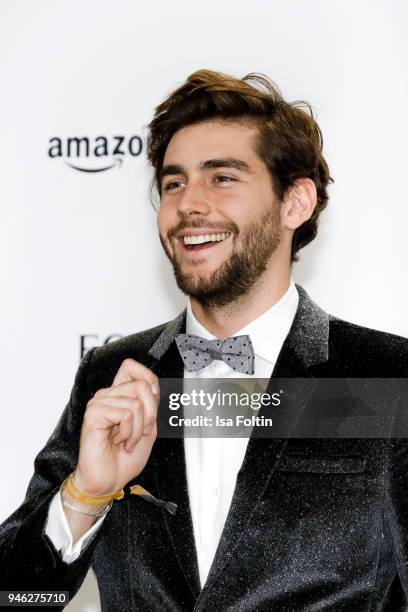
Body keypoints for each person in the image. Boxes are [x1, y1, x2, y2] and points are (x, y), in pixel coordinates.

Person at [1, 69, 407, 612]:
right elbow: (17, 596)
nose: (189, 204)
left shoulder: (387, 379)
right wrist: (84, 495)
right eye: (173, 183)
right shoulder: (111, 374)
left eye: (222, 178)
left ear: (296, 203)